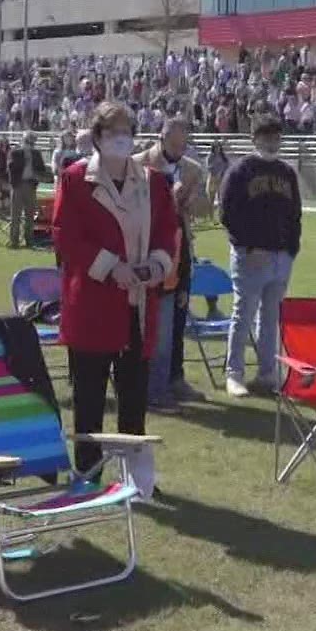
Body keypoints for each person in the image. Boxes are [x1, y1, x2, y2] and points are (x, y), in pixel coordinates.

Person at [51, 101, 178, 474]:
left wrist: (156, 264)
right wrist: (111, 268)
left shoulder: (152, 181)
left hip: (137, 307)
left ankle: (137, 478)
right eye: (112, 132)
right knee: (89, 401)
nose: (121, 139)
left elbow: (167, 231)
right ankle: (88, 475)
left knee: (133, 400)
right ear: (97, 137)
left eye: (127, 131)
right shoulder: (75, 179)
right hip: (92, 306)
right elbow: (66, 238)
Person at [218, 117, 302, 398]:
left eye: (276, 137)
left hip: (281, 258)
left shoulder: (287, 173)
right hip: (250, 256)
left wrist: (291, 249)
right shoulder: (241, 170)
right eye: (266, 137)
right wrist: (248, 246)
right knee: (243, 315)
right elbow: (228, 213)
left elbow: (295, 214)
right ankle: (234, 374)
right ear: (254, 139)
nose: (271, 142)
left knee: (270, 319)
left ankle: (268, 374)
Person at [138, 116, 211, 412]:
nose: (178, 150)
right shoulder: (139, 163)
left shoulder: (193, 169)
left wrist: (192, 200)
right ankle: (153, 386)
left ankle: (175, 378)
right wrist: (166, 198)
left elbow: (206, 209)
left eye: (183, 145)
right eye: (173, 144)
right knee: (157, 323)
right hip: (149, 249)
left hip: (181, 252)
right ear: (162, 137)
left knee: (178, 317)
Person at [6, 131, 45, 248]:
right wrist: (26, 159)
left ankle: (29, 241)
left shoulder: (37, 154)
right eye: (29, 139)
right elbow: (11, 168)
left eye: (32, 139)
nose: (31, 141)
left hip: (30, 185)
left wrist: (35, 169)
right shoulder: (16, 152)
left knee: (30, 215)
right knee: (15, 215)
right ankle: (14, 241)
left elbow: (41, 168)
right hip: (18, 185)